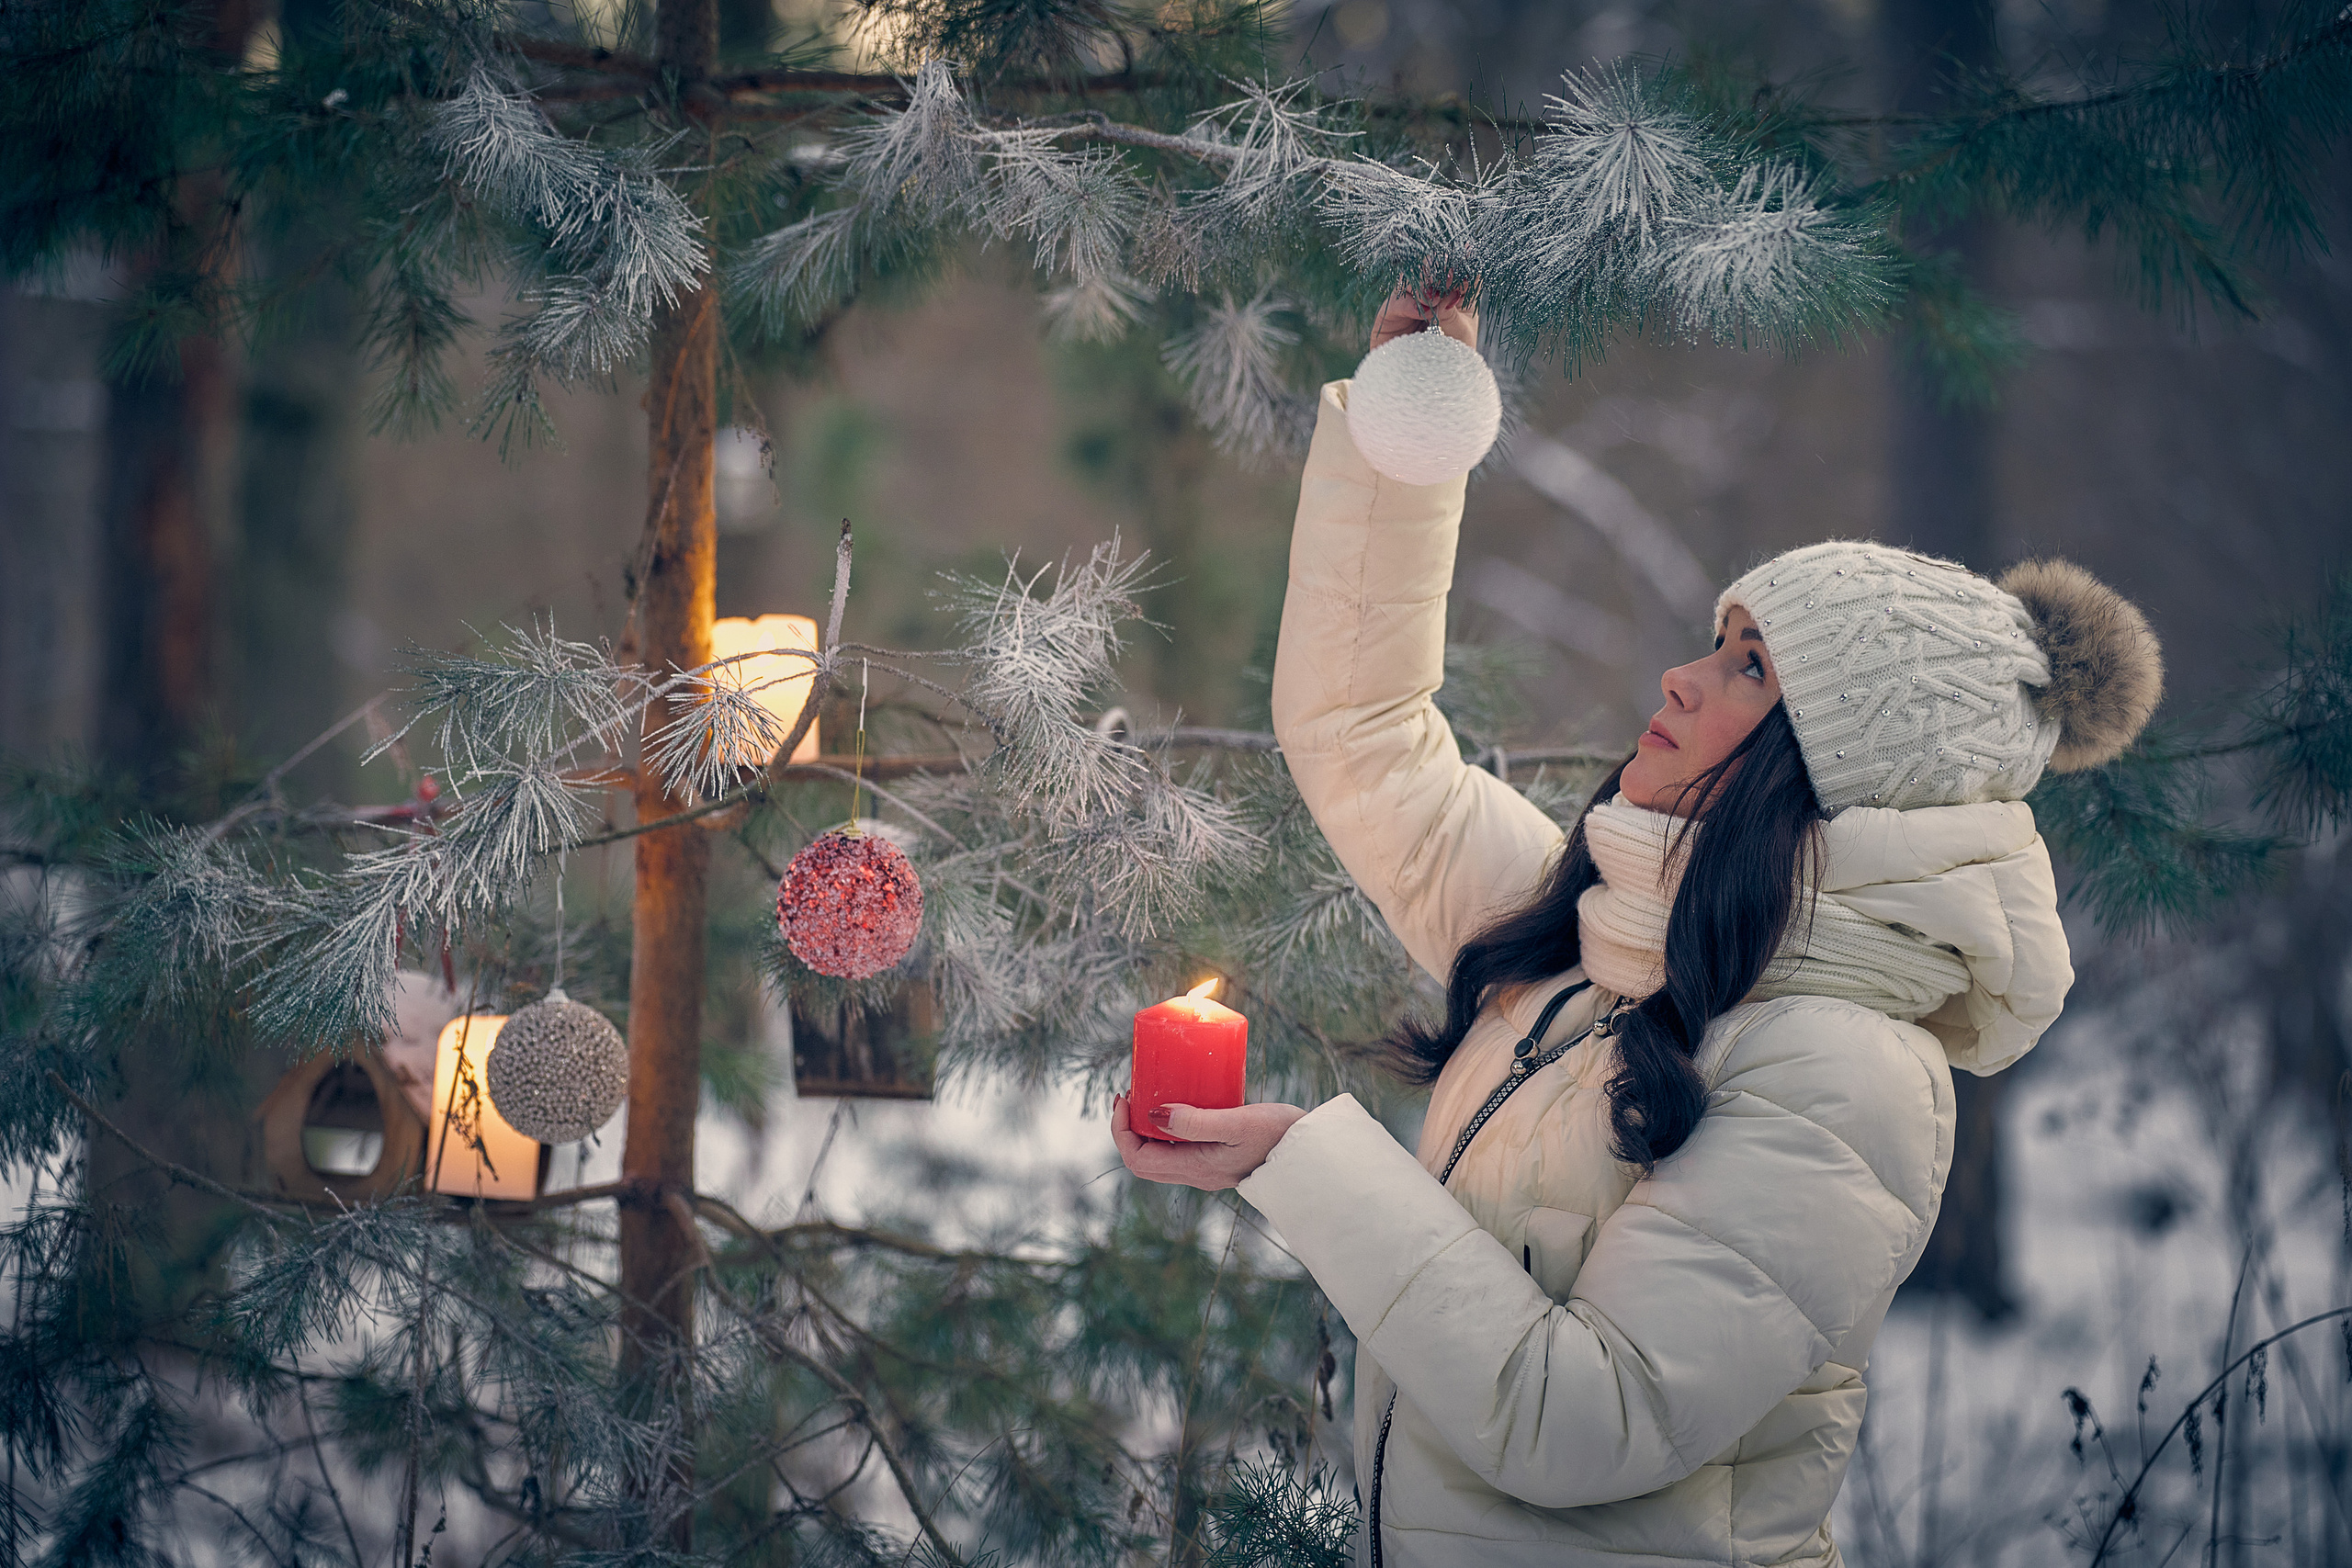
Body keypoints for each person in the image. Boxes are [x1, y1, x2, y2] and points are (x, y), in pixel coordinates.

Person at [1113, 290, 2165, 1565]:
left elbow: (1579, 1418)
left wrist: (1299, 1159)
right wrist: (1400, 447)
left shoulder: (1846, 1075)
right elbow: (1360, 737)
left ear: (1834, 768)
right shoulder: (1592, 928)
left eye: (1752, 670)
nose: (1684, 676)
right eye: (1717, 641)